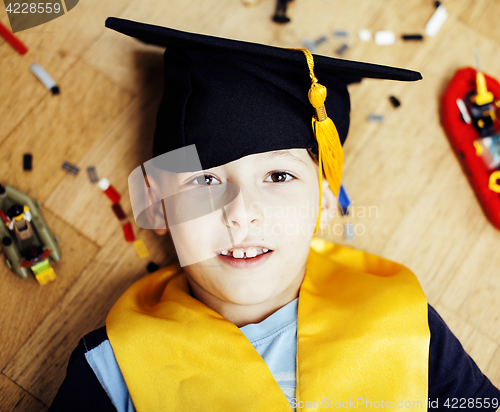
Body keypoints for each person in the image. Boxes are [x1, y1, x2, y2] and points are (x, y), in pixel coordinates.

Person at [49, 17, 500, 412]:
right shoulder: (114, 369)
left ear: (326, 199)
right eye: (203, 181)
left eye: (279, 177)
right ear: (156, 205)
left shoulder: (404, 320)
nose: (240, 215)